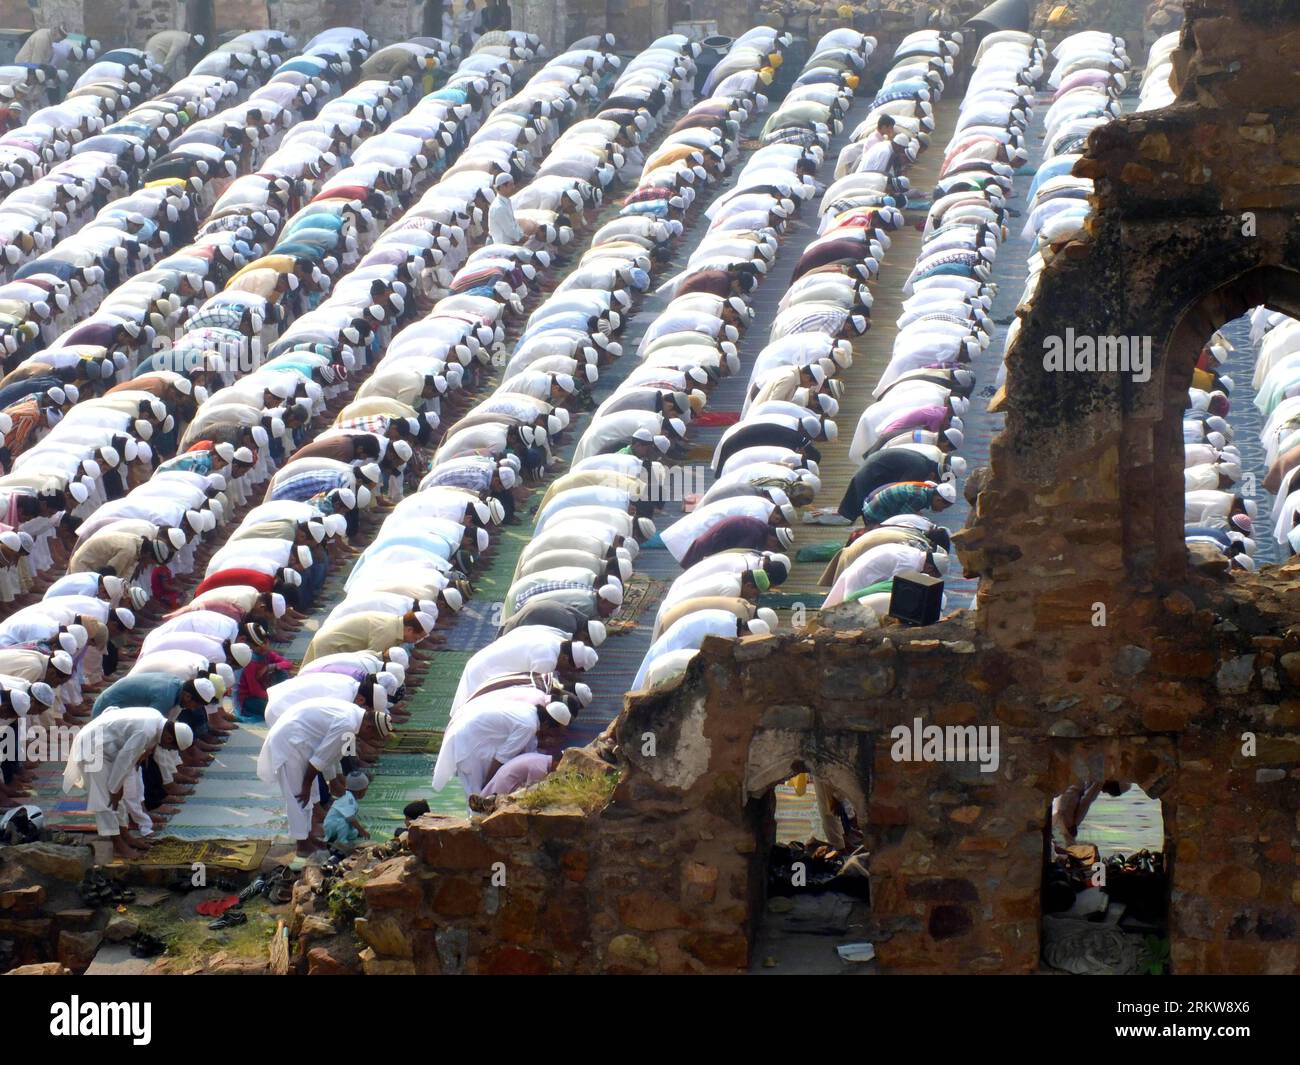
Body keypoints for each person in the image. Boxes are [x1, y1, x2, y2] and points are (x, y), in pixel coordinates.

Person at [62, 707, 193, 859]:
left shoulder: (158, 720)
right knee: (106, 800)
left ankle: (125, 836)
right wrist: (115, 787)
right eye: (170, 747)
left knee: (119, 796)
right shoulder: (146, 731)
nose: (165, 748)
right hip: (92, 748)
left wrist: (118, 786)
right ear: (169, 738)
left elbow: (129, 758)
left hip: (107, 748)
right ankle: (118, 845)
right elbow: (125, 759)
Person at [323, 771, 370, 846]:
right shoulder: (349, 800)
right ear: (360, 791)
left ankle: (337, 837)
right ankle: (342, 842)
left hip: (337, 826)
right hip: (332, 825)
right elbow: (350, 818)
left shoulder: (349, 796)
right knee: (344, 823)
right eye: (365, 790)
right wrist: (362, 831)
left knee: (354, 832)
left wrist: (358, 830)